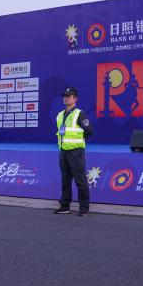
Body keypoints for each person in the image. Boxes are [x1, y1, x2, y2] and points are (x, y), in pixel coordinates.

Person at [53, 87, 93, 216]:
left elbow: (89, 131)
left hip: (76, 151)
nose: (66, 98)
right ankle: (65, 206)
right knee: (65, 180)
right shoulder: (60, 115)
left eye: (69, 96)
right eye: (65, 96)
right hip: (63, 151)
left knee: (80, 180)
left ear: (75, 98)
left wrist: (80, 142)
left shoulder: (80, 114)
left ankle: (84, 207)